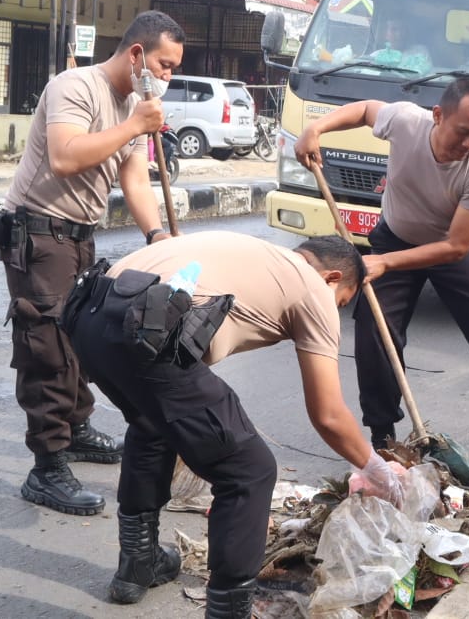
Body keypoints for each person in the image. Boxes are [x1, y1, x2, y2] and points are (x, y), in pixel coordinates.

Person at [67, 231, 403, 617]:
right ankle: (228, 610)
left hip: (88, 315)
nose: (336, 309)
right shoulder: (313, 287)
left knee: (152, 425)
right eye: (342, 301)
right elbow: (328, 414)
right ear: (332, 278)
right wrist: (374, 467)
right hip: (146, 325)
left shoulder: (258, 255)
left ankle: (138, 563)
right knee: (249, 471)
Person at [295, 75, 469, 480]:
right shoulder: (407, 122)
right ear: (438, 115)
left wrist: (387, 263)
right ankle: (384, 443)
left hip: (447, 248)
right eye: (463, 132)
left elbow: (457, 247)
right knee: (375, 333)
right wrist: (315, 129)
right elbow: (365, 110)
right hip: (395, 236)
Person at [0, 10, 185, 516]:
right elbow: (65, 156)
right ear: (137, 54)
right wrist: (135, 125)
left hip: (79, 235)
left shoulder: (134, 105)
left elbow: (134, 178)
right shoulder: (75, 86)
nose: (167, 77)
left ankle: (75, 429)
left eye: (173, 69)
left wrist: (158, 237)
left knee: (80, 336)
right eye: (164, 65)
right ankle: (47, 467)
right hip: (38, 231)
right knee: (47, 347)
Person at [367, 18, 432, 75]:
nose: (399, 34)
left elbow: (425, 75)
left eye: (402, 29)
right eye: (394, 29)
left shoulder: (420, 52)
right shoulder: (376, 56)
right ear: (385, 34)